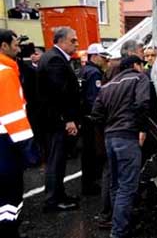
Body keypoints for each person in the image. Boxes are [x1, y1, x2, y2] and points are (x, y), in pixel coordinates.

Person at [91, 56, 150, 238]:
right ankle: (119, 231)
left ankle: (119, 225)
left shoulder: (107, 85)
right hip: (128, 136)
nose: (143, 68)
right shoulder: (140, 78)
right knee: (127, 186)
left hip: (110, 137)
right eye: (142, 64)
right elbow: (142, 104)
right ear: (135, 65)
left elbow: (96, 114)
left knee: (115, 185)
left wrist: (109, 125)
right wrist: (141, 128)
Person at [37, 26, 81, 212]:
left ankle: (59, 195)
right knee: (56, 161)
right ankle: (53, 200)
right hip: (56, 121)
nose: (76, 43)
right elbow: (59, 94)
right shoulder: (55, 59)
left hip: (54, 120)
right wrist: (68, 119)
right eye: (73, 40)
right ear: (61, 41)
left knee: (59, 160)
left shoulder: (55, 57)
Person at [0, 29, 39, 238]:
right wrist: (31, 153)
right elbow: (13, 117)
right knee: (9, 197)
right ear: (3, 46)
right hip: (6, 145)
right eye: (15, 44)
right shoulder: (5, 73)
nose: (19, 47)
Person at [79, 43, 109, 195]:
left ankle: (87, 183)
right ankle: (90, 185)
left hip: (84, 117)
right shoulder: (94, 73)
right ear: (94, 56)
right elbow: (95, 98)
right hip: (92, 119)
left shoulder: (84, 70)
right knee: (93, 152)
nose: (104, 61)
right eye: (103, 57)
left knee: (87, 152)